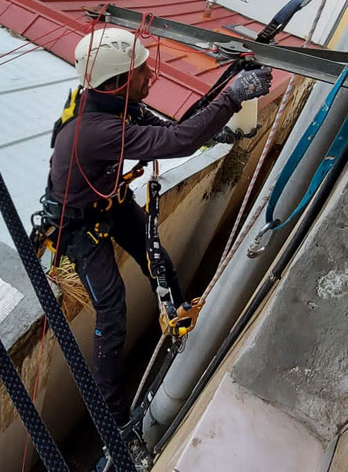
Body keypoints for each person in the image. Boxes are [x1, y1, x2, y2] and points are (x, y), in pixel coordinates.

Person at [42, 27, 272, 432]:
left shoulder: (113, 104)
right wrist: (233, 96)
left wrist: (214, 125)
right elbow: (178, 142)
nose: (152, 77)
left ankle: (178, 319)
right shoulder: (96, 130)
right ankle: (111, 423)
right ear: (117, 82)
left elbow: (167, 131)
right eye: (143, 72)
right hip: (77, 225)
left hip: (108, 203)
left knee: (158, 262)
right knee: (111, 310)